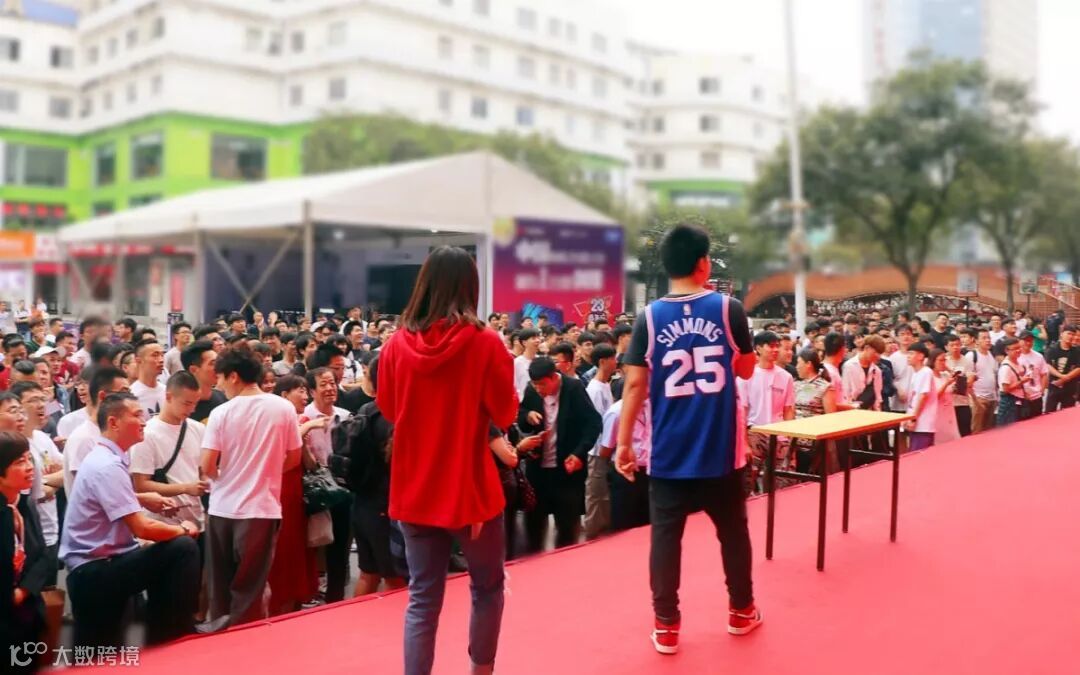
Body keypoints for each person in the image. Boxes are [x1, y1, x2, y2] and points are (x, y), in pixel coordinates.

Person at [615, 223, 762, 656]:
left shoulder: (649, 317)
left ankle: (666, 626)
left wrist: (624, 443)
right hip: (721, 449)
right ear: (703, 264)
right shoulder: (729, 309)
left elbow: (635, 385)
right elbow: (747, 369)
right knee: (733, 533)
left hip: (669, 451)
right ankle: (741, 610)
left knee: (665, 540)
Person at [376, 246, 517, 675]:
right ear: (471, 286)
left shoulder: (396, 345)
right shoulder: (486, 342)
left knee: (422, 598)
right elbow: (505, 412)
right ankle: (481, 670)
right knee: (487, 587)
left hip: (414, 487)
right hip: (470, 489)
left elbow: (388, 407)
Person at [60, 393, 200, 648]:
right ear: (113, 422)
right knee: (182, 547)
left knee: (100, 652)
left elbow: (108, 499)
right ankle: (173, 637)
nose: (144, 421)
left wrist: (141, 498)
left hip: (97, 567)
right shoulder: (107, 465)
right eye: (136, 415)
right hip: (95, 571)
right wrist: (182, 529)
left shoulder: (105, 458)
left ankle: (166, 636)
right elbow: (143, 527)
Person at [199, 347, 303, 631]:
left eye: (220, 378)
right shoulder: (283, 408)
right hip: (261, 509)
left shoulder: (221, 412)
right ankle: (245, 639)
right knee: (251, 586)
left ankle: (220, 635)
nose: (219, 385)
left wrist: (223, 477)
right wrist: (267, 471)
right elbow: (294, 457)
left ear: (233, 376)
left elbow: (207, 464)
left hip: (222, 508)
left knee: (220, 583)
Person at [518, 357, 602, 552]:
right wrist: (527, 416)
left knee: (567, 526)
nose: (538, 389)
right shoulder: (532, 391)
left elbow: (593, 423)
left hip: (566, 468)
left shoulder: (573, 388)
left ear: (554, 377)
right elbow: (521, 415)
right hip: (538, 469)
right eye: (535, 384)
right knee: (534, 525)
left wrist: (579, 453)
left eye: (542, 384)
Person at [341, 356, 407, 597]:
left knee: (369, 573)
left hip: (363, 502)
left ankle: (358, 620)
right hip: (387, 506)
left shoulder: (366, 410)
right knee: (394, 579)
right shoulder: (396, 416)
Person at [129, 372, 209, 534]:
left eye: (195, 403)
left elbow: (202, 471)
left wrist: (207, 482)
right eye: (187, 403)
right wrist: (186, 488)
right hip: (163, 524)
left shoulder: (198, 429)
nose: (192, 409)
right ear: (169, 396)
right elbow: (141, 485)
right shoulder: (147, 434)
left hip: (197, 520)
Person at [268, 374, 320, 615]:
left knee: (297, 544)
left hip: (297, 491)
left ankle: (296, 599)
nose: (305, 396)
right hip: (278, 491)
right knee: (282, 545)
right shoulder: (277, 421)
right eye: (300, 390)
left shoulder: (304, 420)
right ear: (284, 395)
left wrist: (305, 437)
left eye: (306, 391)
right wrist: (304, 429)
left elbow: (309, 463)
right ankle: (279, 600)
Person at [1, 431, 49, 658]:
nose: (30, 467)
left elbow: (43, 555)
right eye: (20, 462)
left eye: (29, 459)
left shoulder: (26, 504)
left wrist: (23, 591)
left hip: (27, 609)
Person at [739, 331, 795, 494]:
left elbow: (788, 410)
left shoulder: (786, 377)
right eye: (771, 346)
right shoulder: (746, 376)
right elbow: (742, 411)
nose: (775, 350)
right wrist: (744, 443)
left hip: (779, 434)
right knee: (748, 481)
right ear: (758, 348)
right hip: (755, 431)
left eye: (777, 346)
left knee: (784, 482)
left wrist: (790, 439)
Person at [62, 366, 129, 497]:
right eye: (123, 393)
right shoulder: (84, 438)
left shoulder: (114, 433)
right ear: (103, 396)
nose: (129, 399)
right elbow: (92, 494)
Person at [583, 343, 617, 539]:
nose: (615, 362)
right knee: (596, 494)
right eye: (612, 358)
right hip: (598, 450)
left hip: (607, 448)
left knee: (604, 495)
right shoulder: (594, 389)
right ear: (603, 361)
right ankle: (592, 533)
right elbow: (596, 423)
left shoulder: (605, 385)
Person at [792, 348, 839, 474]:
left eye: (798, 363)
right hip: (793, 436)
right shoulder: (796, 385)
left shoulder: (825, 387)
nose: (796, 367)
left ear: (808, 364)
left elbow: (831, 417)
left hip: (813, 439)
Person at [182, 340, 228, 424]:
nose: (219, 367)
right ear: (193, 370)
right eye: (213, 363)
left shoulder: (223, 398)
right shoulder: (182, 407)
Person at [904, 343, 937, 451]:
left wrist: (914, 418)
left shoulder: (926, 372)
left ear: (921, 356)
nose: (908, 356)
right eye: (907, 354)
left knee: (919, 453)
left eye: (911, 353)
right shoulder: (915, 373)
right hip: (915, 420)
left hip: (923, 423)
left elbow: (923, 396)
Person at [966, 329, 998, 433]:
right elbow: (967, 379)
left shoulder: (991, 355)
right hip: (978, 398)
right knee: (977, 430)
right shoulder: (971, 355)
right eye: (984, 338)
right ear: (976, 341)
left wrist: (996, 396)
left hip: (992, 397)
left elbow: (994, 375)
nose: (988, 340)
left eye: (989, 338)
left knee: (988, 431)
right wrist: (974, 399)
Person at [943, 335, 975, 437]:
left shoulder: (967, 361)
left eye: (957, 344)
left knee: (965, 431)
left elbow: (970, 378)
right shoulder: (943, 361)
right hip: (947, 403)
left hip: (963, 402)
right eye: (952, 345)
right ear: (946, 347)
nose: (955, 347)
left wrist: (964, 383)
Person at [1044, 324, 1079, 413]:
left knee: (1068, 413)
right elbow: (1048, 365)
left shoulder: (1077, 351)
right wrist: (1061, 376)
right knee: (1049, 413)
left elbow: (1078, 368)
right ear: (1061, 334)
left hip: (1070, 387)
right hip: (1054, 385)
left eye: (1073, 334)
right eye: (1068, 333)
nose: (1071, 336)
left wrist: (1065, 378)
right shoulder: (1052, 349)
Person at [930, 349, 961, 445]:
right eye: (941, 360)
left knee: (953, 439)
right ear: (933, 361)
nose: (943, 363)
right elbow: (934, 397)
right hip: (937, 414)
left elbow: (953, 387)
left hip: (949, 412)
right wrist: (946, 384)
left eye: (945, 360)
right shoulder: (930, 376)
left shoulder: (945, 375)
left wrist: (949, 370)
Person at [130, 338, 166, 418]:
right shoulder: (132, 395)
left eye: (162, 355)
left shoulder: (167, 392)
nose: (161, 360)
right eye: (155, 355)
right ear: (138, 360)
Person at [1017, 330, 1048, 420]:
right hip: (1021, 397)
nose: (1028, 343)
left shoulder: (1039, 356)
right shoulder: (1015, 356)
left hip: (1036, 395)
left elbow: (1044, 374)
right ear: (1019, 341)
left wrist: (1042, 390)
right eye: (1026, 340)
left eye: (1030, 340)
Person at [514, 327, 540, 400]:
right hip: (523, 402)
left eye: (538, 337)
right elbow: (514, 385)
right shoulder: (517, 363)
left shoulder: (542, 360)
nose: (537, 340)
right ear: (524, 343)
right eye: (533, 338)